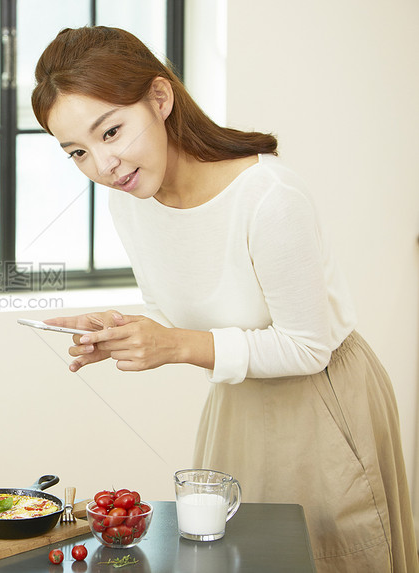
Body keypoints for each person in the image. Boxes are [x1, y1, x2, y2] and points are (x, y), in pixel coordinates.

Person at [32, 26, 418, 573]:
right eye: (77, 152)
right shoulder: (131, 202)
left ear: (160, 99)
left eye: (112, 131)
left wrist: (171, 345)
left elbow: (307, 348)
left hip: (323, 402)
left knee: (327, 558)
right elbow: (186, 312)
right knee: (230, 558)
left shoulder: (269, 197)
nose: (103, 165)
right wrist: (125, 328)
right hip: (236, 404)